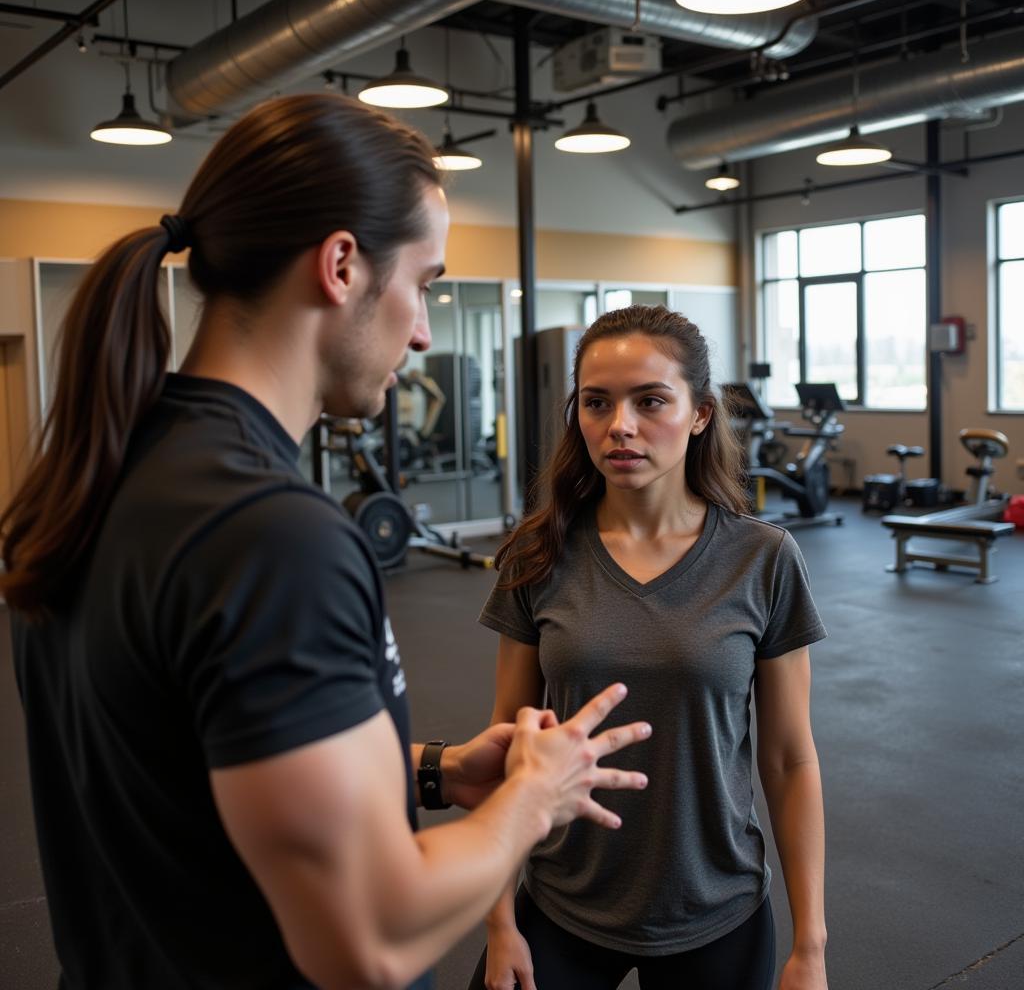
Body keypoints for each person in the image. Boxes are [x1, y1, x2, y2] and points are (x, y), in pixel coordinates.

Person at [0, 94, 653, 990]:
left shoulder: (99, 473)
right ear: (342, 264)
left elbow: (179, 762)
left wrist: (435, 770)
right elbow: (368, 941)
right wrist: (529, 801)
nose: (424, 331)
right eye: (423, 282)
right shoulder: (274, 538)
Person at [470, 305, 829, 990]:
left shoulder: (763, 559)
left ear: (699, 413)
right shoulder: (539, 554)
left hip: (716, 908)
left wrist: (810, 945)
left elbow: (789, 758)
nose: (620, 427)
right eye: (597, 403)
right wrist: (497, 921)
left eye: (650, 400)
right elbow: (502, 744)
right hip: (563, 901)